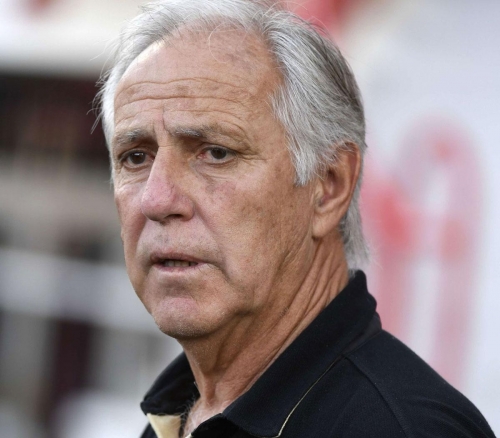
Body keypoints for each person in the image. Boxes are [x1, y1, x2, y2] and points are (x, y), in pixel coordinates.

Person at [98, 1, 496, 437]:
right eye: (135, 157)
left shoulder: (405, 430)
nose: (156, 199)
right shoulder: (178, 415)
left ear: (329, 186)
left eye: (216, 152)